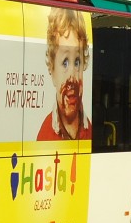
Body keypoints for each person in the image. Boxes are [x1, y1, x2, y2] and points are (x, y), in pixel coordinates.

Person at [37, 8, 91, 141]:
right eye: (65, 63)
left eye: (77, 62)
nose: (72, 76)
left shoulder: (89, 129)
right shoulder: (45, 134)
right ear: (52, 69)